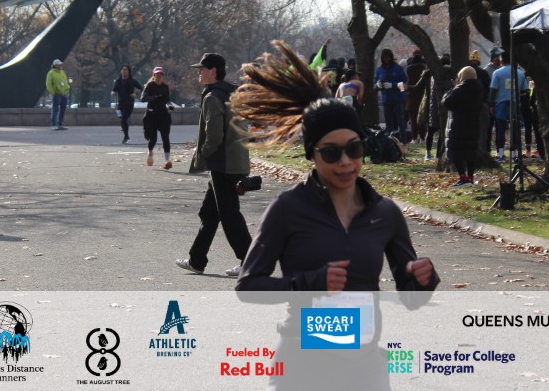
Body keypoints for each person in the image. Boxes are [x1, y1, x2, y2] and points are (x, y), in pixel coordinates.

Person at [231, 41, 438, 389]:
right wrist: (308, 284)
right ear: (312, 155)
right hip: (302, 363)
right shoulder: (288, 209)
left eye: (354, 149)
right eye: (331, 153)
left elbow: (410, 297)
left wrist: (423, 279)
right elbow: (248, 286)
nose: (345, 162)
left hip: (365, 365)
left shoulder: (385, 213)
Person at [175, 53, 251, 277]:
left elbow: (214, 136)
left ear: (213, 71)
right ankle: (197, 260)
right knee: (209, 213)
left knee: (229, 215)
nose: (199, 72)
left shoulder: (212, 97)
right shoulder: (231, 93)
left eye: (202, 68)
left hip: (222, 163)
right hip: (233, 160)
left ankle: (250, 261)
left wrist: (202, 155)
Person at [442, 66, 483, 187]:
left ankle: (463, 178)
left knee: (456, 151)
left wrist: (449, 91)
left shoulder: (460, 89)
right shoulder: (478, 89)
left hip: (459, 125)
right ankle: (470, 177)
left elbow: (447, 102)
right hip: (473, 125)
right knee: (470, 152)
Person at [488, 52, 528, 161]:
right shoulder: (520, 73)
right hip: (515, 103)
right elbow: (525, 90)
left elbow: (493, 90)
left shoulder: (497, 73)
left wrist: (491, 104)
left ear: (502, 60)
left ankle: (500, 154)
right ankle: (515, 154)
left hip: (500, 104)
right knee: (515, 129)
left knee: (500, 129)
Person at [140, 66, 173, 168]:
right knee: (153, 139)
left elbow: (167, 99)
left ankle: (167, 161)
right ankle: (150, 153)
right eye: (157, 74)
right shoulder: (150, 86)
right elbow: (143, 98)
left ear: (163, 76)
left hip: (163, 115)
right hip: (151, 115)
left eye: (161, 74)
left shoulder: (165, 87)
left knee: (165, 137)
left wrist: (170, 105)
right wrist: (154, 97)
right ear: (154, 75)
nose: (159, 76)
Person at [373, 48, 408, 142]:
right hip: (386, 99)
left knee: (401, 121)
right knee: (388, 122)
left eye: (388, 57)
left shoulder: (398, 69)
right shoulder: (379, 70)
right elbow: (374, 84)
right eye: (384, 57)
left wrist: (393, 85)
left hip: (398, 99)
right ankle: (389, 142)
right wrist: (377, 86)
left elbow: (405, 85)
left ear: (391, 57)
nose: (386, 59)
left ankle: (403, 141)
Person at [110, 64, 142, 144]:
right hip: (120, 103)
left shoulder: (132, 80)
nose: (124, 71)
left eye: (126, 69)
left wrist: (136, 94)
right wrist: (113, 93)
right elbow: (113, 90)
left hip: (129, 103)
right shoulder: (118, 81)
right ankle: (126, 136)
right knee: (122, 120)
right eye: (123, 69)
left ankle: (126, 137)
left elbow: (141, 88)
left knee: (124, 119)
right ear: (121, 71)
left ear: (129, 71)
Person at [405, 52, 427, 143]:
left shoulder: (408, 71)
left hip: (411, 98)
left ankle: (414, 138)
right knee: (422, 120)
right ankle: (422, 138)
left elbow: (406, 85)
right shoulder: (425, 71)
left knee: (413, 120)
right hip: (422, 98)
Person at [46, 59, 70, 130]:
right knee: (55, 109)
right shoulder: (51, 73)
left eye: (61, 64)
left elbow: (65, 82)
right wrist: (53, 92)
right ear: (55, 65)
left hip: (64, 93)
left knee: (63, 109)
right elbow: (48, 84)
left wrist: (67, 89)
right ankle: (54, 125)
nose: (61, 65)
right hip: (57, 94)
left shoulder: (62, 72)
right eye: (59, 64)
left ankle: (60, 124)